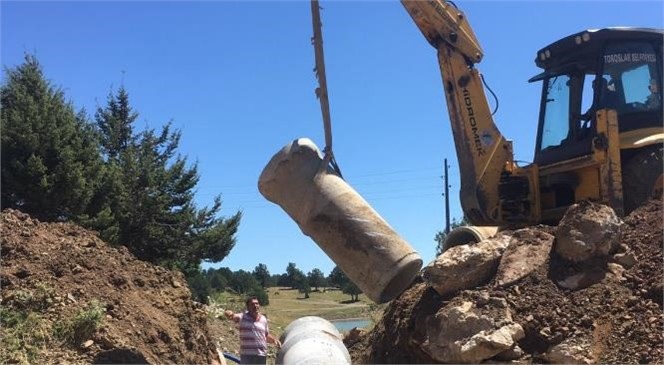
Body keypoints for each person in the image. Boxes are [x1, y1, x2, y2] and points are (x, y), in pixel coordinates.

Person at [224, 297, 281, 364]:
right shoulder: (243, 317)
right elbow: (233, 317)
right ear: (248, 307)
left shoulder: (263, 319)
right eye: (252, 304)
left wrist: (274, 340)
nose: (255, 306)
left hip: (261, 355)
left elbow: (265, 335)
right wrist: (229, 314)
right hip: (247, 355)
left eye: (257, 303)